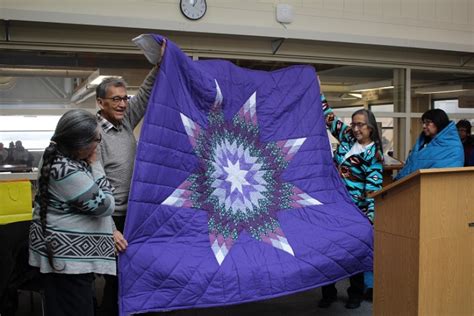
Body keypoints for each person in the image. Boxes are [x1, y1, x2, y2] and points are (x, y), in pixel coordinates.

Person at [95, 39, 166, 315]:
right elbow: (93, 187)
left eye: (125, 98)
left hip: (133, 215)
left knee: (133, 278)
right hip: (109, 218)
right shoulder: (94, 135)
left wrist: (161, 63)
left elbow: (146, 93)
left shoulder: (125, 122)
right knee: (115, 282)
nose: (123, 104)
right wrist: (108, 228)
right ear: (100, 102)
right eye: (116, 99)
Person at [28, 109, 115, 316]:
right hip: (67, 262)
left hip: (67, 258)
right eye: (96, 139)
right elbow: (106, 205)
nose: (98, 145)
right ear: (80, 145)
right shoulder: (65, 170)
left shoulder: (63, 159)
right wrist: (96, 164)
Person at [319, 93, 384, 309]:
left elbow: (373, 191)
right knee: (329, 252)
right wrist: (319, 92)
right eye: (353, 124)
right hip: (333, 207)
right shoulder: (347, 137)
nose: (355, 129)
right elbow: (328, 118)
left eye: (360, 125)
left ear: (370, 128)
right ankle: (328, 293)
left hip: (356, 213)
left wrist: (370, 220)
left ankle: (355, 295)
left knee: (354, 254)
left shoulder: (374, 155)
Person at [395, 109, 464, 180]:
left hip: (427, 187)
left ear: (439, 122)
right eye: (423, 123)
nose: (424, 126)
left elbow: (443, 175)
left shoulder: (453, 147)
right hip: (408, 184)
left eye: (427, 123)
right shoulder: (423, 141)